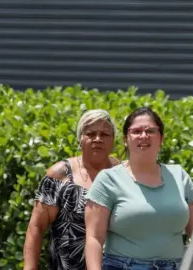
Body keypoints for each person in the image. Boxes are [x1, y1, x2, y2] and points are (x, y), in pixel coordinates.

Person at [85, 107, 193, 270]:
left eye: (151, 131)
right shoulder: (108, 180)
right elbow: (94, 238)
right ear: (126, 139)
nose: (144, 136)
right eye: (136, 131)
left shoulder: (179, 176)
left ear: (161, 138)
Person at [23, 109, 119, 270]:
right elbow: (36, 227)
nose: (97, 139)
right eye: (91, 134)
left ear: (113, 140)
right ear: (80, 139)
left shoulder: (122, 174)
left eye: (104, 134)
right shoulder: (60, 176)